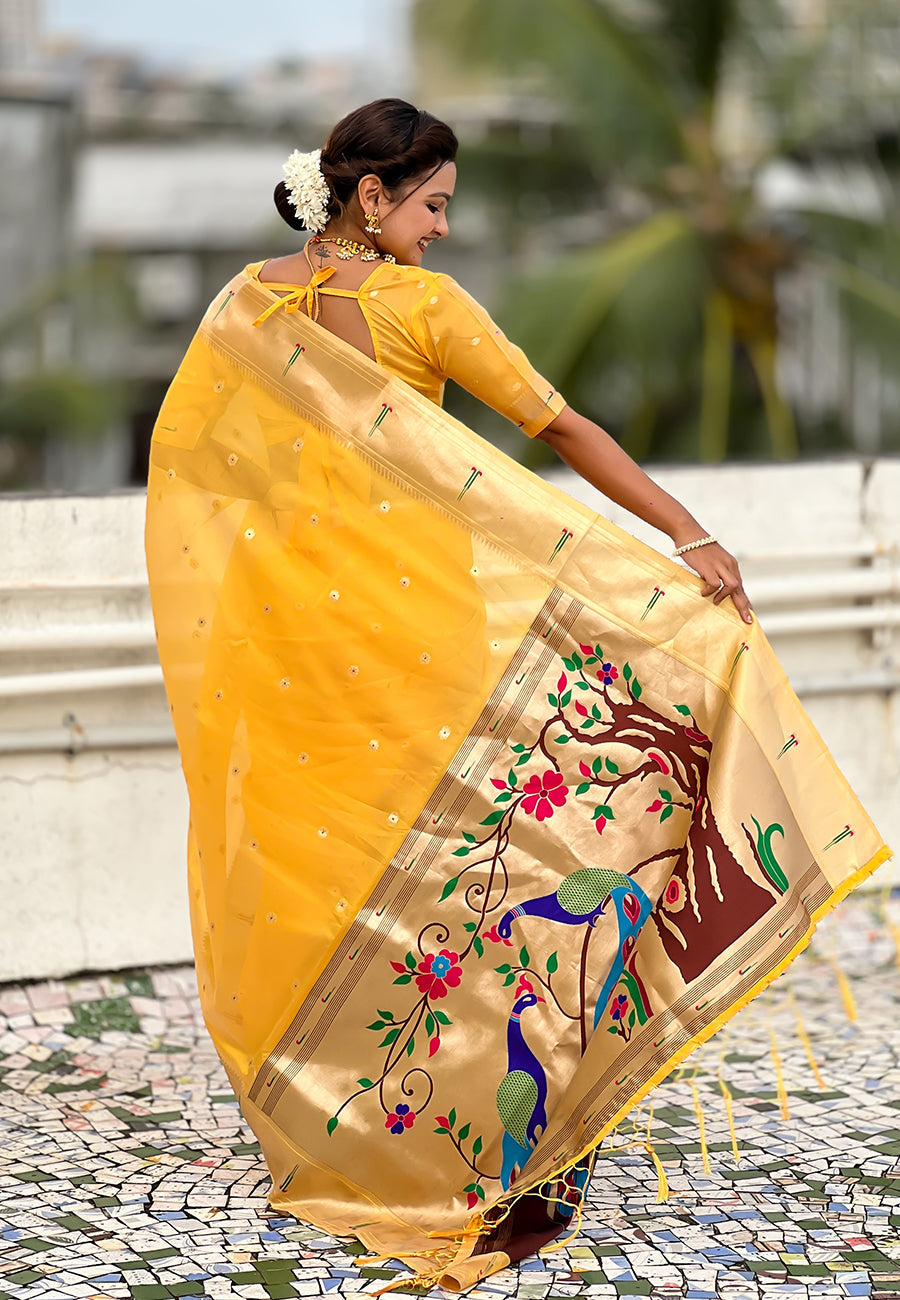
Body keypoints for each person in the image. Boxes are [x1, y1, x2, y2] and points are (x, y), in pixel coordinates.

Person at [145, 99, 888, 1292]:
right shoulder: (425, 309)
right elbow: (564, 427)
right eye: (433, 204)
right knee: (493, 864)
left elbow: (211, 475)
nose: (443, 230)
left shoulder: (246, 305)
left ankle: (364, 1125)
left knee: (350, 871)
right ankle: (491, 1140)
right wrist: (688, 533)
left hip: (301, 643)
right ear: (371, 198)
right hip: (422, 628)